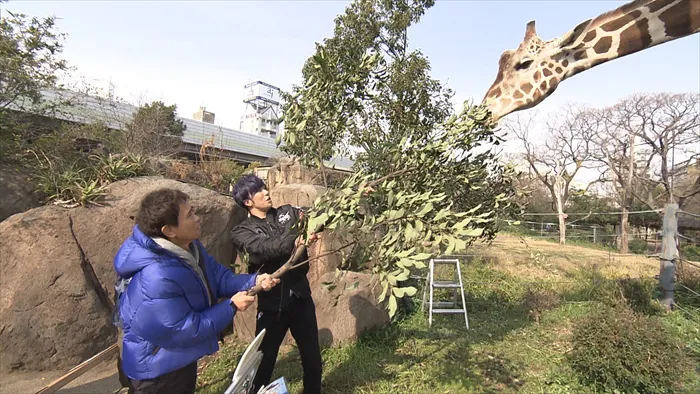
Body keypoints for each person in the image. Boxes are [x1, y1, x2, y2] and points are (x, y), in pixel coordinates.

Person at [112, 188, 279, 394]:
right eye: (189, 215)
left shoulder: (189, 248)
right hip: (156, 371)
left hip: (177, 358)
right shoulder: (156, 276)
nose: (197, 218)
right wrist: (231, 306)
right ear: (169, 231)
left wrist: (254, 280)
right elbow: (185, 329)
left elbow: (219, 278)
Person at [230, 175, 323, 394]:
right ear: (247, 202)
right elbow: (266, 248)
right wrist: (295, 239)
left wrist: (346, 204)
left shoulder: (288, 212)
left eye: (265, 187)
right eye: (259, 191)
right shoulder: (242, 232)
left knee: (312, 358)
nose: (266, 192)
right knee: (263, 361)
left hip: (301, 298)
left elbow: (318, 216)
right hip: (272, 307)